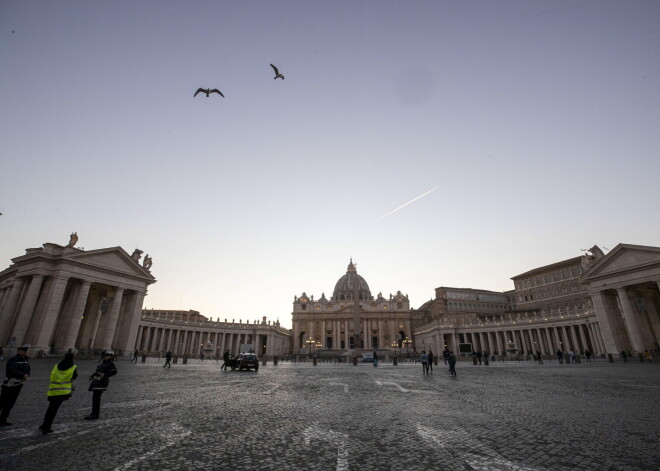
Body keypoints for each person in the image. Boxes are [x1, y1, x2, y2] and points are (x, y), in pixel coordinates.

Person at [39, 351, 77, 434]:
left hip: (53, 390)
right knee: (54, 410)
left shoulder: (57, 366)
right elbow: (74, 376)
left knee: (50, 408)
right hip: (62, 391)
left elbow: (52, 375)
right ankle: (47, 427)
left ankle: (44, 424)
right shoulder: (72, 367)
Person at [0, 344, 31, 426]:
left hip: (18, 385)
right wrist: (22, 375)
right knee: (2, 402)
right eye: (23, 350)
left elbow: (28, 369)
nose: (24, 352)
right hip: (9, 384)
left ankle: (3, 419)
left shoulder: (26, 360)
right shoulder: (13, 359)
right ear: (18, 351)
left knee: (10, 403)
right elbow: (11, 371)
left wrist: (27, 374)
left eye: (25, 351)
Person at [85, 350, 117, 420]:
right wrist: (92, 376)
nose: (104, 357)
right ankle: (94, 413)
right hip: (97, 381)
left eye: (106, 356)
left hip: (102, 383)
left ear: (110, 356)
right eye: (104, 356)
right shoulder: (103, 362)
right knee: (95, 398)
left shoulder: (111, 363)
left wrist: (105, 375)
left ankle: (95, 414)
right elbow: (98, 372)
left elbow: (114, 372)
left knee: (96, 398)